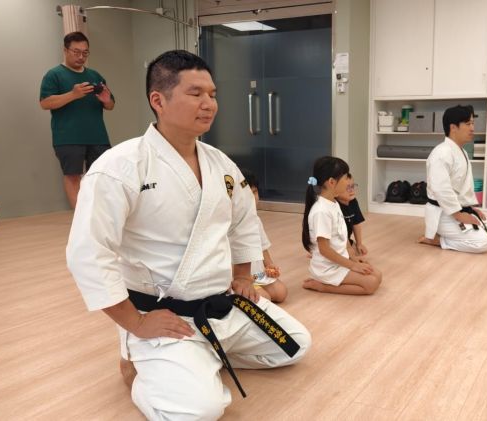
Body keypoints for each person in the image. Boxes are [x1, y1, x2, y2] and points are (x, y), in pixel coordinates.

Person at [66, 50, 311, 421]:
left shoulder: (221, 164)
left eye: (212, 94)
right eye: (195, 93)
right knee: (200, 412)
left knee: (295, 346)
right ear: (158, 100)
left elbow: (244, 222)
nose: (209, 104)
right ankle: (138, 368)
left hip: (221, 306)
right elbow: (89, 252)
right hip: (165, 315)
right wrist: (135, 322)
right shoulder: (120, 166)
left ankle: (199, 359)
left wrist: (243, 276)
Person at [40, 31, 115, 209]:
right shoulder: (54, 75)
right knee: (73, 176)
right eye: (76, 52)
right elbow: (45, 103)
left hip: (98, 137)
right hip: (68, 137)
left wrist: (106, 100)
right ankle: (80, 218)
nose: (81, 57)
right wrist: (73, 94)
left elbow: (111, 105)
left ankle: (98, 216)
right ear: (65, 50)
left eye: (85, 52)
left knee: (102, 176)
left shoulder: (95, 75)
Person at [418, 105, 487, 253]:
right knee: (483, 243)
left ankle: (451, 234)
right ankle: (437, 240)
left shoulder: (462, 152)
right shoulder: (441, 154)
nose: (472, 128)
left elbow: (461, 188)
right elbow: (441, 190)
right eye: (468, 124)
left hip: (458, 208)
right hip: (443, 213)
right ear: (453, 127)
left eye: (473, 123)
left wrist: (470, 209)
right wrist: (459, 215)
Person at [301, 156, 382, 295]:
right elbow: (324, 250)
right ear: (332, 182)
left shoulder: (334, 203)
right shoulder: (321, 211)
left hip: (340, 262)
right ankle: (322, 286)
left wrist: (353, 258)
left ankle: (332, 280)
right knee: (371, 284)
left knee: (378, 275)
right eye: (345, 178)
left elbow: (342, 237)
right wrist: (353, 266)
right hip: (327, 269)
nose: (348, 182)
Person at [241, 169, 288, 303]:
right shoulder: (230, 224)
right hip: (242, 278)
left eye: (255, 192)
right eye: (247, 194)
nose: (253, 197)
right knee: (265, 298)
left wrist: (270, 266)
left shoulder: (256, 220)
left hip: (257, 275)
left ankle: (256, 289)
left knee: (281, 293)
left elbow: (263, 248)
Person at [336, 173, 368, 256]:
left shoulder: (353, 201)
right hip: (335, 240)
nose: (351, 190)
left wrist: (359, 244)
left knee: (357, 253)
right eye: (347, 188)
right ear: (336, 191)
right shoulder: (334, 205)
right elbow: (338, 233)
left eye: (353, 186)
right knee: (349, 256)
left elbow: (356, 224)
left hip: (345, 240)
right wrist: (348, 249)